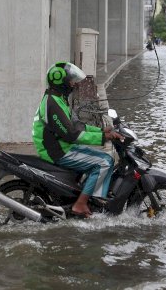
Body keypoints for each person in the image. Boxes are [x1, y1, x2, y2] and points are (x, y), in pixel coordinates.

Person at [32, 61, 123, 217]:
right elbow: (72, 134)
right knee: (104, 162)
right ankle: (80, 204)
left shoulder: (58, 99)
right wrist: (103, 137)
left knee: (101, 157)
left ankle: (91, 199)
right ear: (61, 81)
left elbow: (77, 125)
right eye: (71, 80)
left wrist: (101, 130)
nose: (74, 84)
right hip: (57, 151)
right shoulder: (52, 104)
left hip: (62, 145)